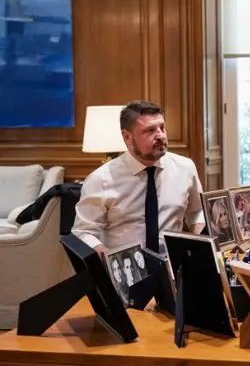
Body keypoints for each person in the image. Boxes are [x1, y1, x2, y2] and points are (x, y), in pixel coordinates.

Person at [71, 100, 205, 255]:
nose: (161, 135)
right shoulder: (100, 179)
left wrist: (200, 242)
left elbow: (197, 211)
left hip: (173, 266)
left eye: (162, 127)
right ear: (127, 137)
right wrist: (111, 260)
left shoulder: (185, 167)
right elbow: (82, 232)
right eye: (150, 130)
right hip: (126, 270)